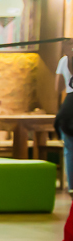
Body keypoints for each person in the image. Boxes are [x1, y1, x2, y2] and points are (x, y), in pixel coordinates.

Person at [54, 42, 73, 195]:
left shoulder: (65, 60)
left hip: (69, 107)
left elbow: (58, 87)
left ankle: (72, 187)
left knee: (70, 150)